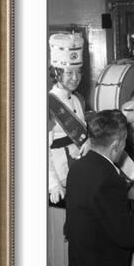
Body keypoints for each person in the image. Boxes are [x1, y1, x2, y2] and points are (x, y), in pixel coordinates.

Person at [64, 110, 134, 266]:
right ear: (116, 145)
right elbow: (127, 235)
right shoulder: (109, 178)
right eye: (124, 142)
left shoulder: (77, 169)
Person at [48, 32, 89, 207]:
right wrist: (53, 184)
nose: (75, 78)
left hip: (80, 177)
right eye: (69, 72)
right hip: (60, 182)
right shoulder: (47, 103)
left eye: (78, 72)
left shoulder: (79, 99)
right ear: (57, 72)